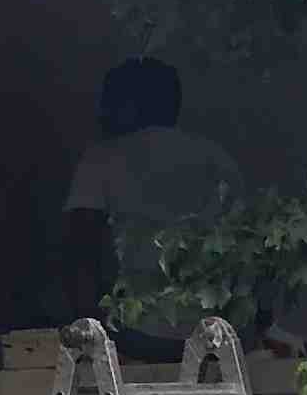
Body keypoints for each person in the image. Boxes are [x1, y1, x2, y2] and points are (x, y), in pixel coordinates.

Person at [60, 59, 247, 315]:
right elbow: (245, 246)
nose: (101, 112)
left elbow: (81, 243)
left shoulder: (102, 159)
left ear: (131, 105)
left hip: (127, 320)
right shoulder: (216, 158)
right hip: (208, 322)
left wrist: (86, 318)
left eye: (110, 102)